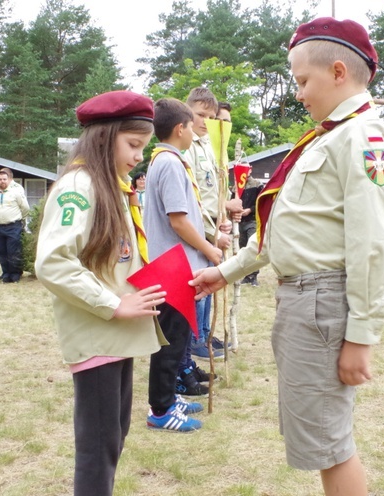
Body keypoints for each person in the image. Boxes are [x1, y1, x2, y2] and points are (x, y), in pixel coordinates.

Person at [191, 18, 384, 496]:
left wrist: (362, 336)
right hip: (303, 301)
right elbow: (283, 230)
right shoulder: (328, 138)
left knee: (331, 441)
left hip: (321, 302)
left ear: (337, 72)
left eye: (302, 81)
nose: (299, 94)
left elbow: (374, 242)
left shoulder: (362, 137)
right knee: (321, 434)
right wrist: (225, 272)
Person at [35, 90, 175, 495]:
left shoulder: (111, 185)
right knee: (97, 450)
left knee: (113, 438)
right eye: (133, 145)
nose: (138, 157)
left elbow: (118, 258)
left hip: (116, 335)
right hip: (99, 331)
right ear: (104, 137)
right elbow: (54, 262)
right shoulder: (79, 186)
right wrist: (114, 303)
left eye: (143, 147)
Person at [144, 97, 224, 429]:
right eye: (193, 124)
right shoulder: (170, 164)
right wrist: (209, 248)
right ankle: (161, 411)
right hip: (173, 265)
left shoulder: (166, 161)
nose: (196, 130)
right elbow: (178, 220)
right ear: (181, 128)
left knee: (174, 339)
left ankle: (168, 398)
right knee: (170, 340)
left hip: (173, 263)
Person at [184, 87, 239, 360]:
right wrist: (211, 234)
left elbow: (216, 192)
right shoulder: (187, 147)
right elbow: (192, 199)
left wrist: (224, 220)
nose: (205, 121)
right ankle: (195, 339)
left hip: (214, 225)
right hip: (199, 229)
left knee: (209, 283)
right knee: (199, 286)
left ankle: (203, 334)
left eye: (210, 116)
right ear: (188, 113)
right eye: (200, 115)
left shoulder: (208, 145)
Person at [0, 169, 30, 283]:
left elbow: (25, 209)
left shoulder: (16, 193)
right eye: (0, 179)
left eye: (4, 179)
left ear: (9, 180)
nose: (2, 181)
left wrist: (18, 220)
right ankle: (6, 274)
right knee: (1, 252)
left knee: (13, 251)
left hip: (13, 226)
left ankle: (15, 274)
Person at [238, 166, 262, 287]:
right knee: (243, 248)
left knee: (252, 247)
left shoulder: (257, 184)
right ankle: (247, 275)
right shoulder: (237, 186)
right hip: (240, 221)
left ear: (250, 170)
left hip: (252, 220)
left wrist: (250, 210)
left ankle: (254, 276)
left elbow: (261, 202)